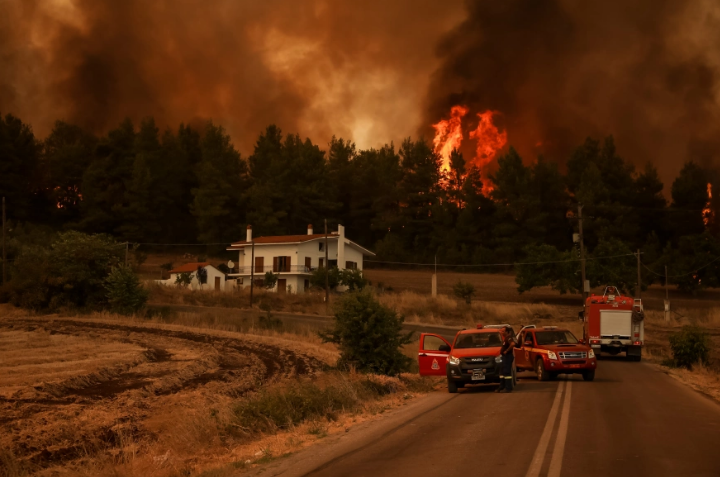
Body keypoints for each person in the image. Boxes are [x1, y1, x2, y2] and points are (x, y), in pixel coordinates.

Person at [495, 326, 517, 393]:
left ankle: (508, 388)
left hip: (507, 357)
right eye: (501, 331)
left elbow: (513, 344)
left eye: (503, 331)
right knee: (502, 372)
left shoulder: (509, 338)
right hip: (504, 357)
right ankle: (502, 386)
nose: (501, 332)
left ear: (507, 332)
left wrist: (506, 351)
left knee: (507, 373)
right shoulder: (505, 338)